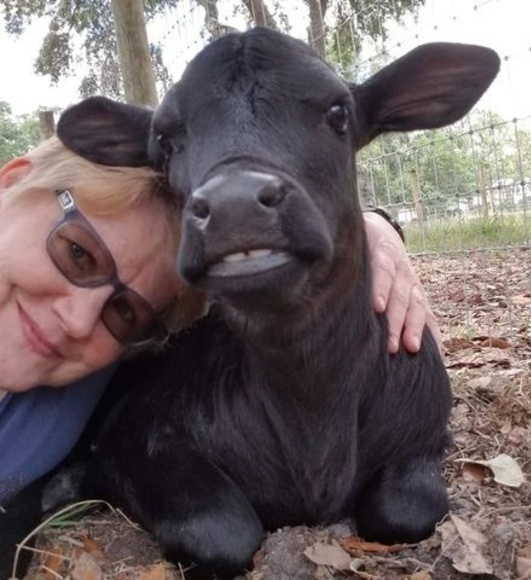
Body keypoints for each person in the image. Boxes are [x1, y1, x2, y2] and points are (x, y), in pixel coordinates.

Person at [0, 134, 439, 575]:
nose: (77, 321)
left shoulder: (95, 364)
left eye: (126, 313)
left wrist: (372, 228)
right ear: (12, 182)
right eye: (77, 252)